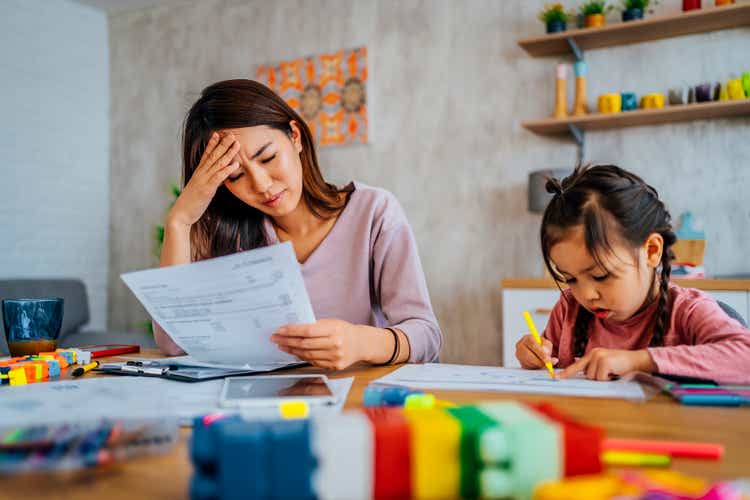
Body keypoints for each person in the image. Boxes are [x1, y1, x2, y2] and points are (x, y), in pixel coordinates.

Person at [154, 79, 443, 370]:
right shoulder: (225, 236)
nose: (263, 185)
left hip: (360, 400)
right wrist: (179, 222)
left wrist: (361, 342)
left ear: (295, 136)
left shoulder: (374, 213)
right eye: (236, 176)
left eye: (268, 157)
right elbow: (173, 344)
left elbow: (427, 336)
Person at [515, 165, 750, 384]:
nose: (585, 295)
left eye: (600, 275)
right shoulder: (569, 310)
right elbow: (550, 371)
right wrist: (533, 355)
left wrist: (638, 361)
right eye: (570, 279)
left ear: (652, 251)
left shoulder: (687, 312)